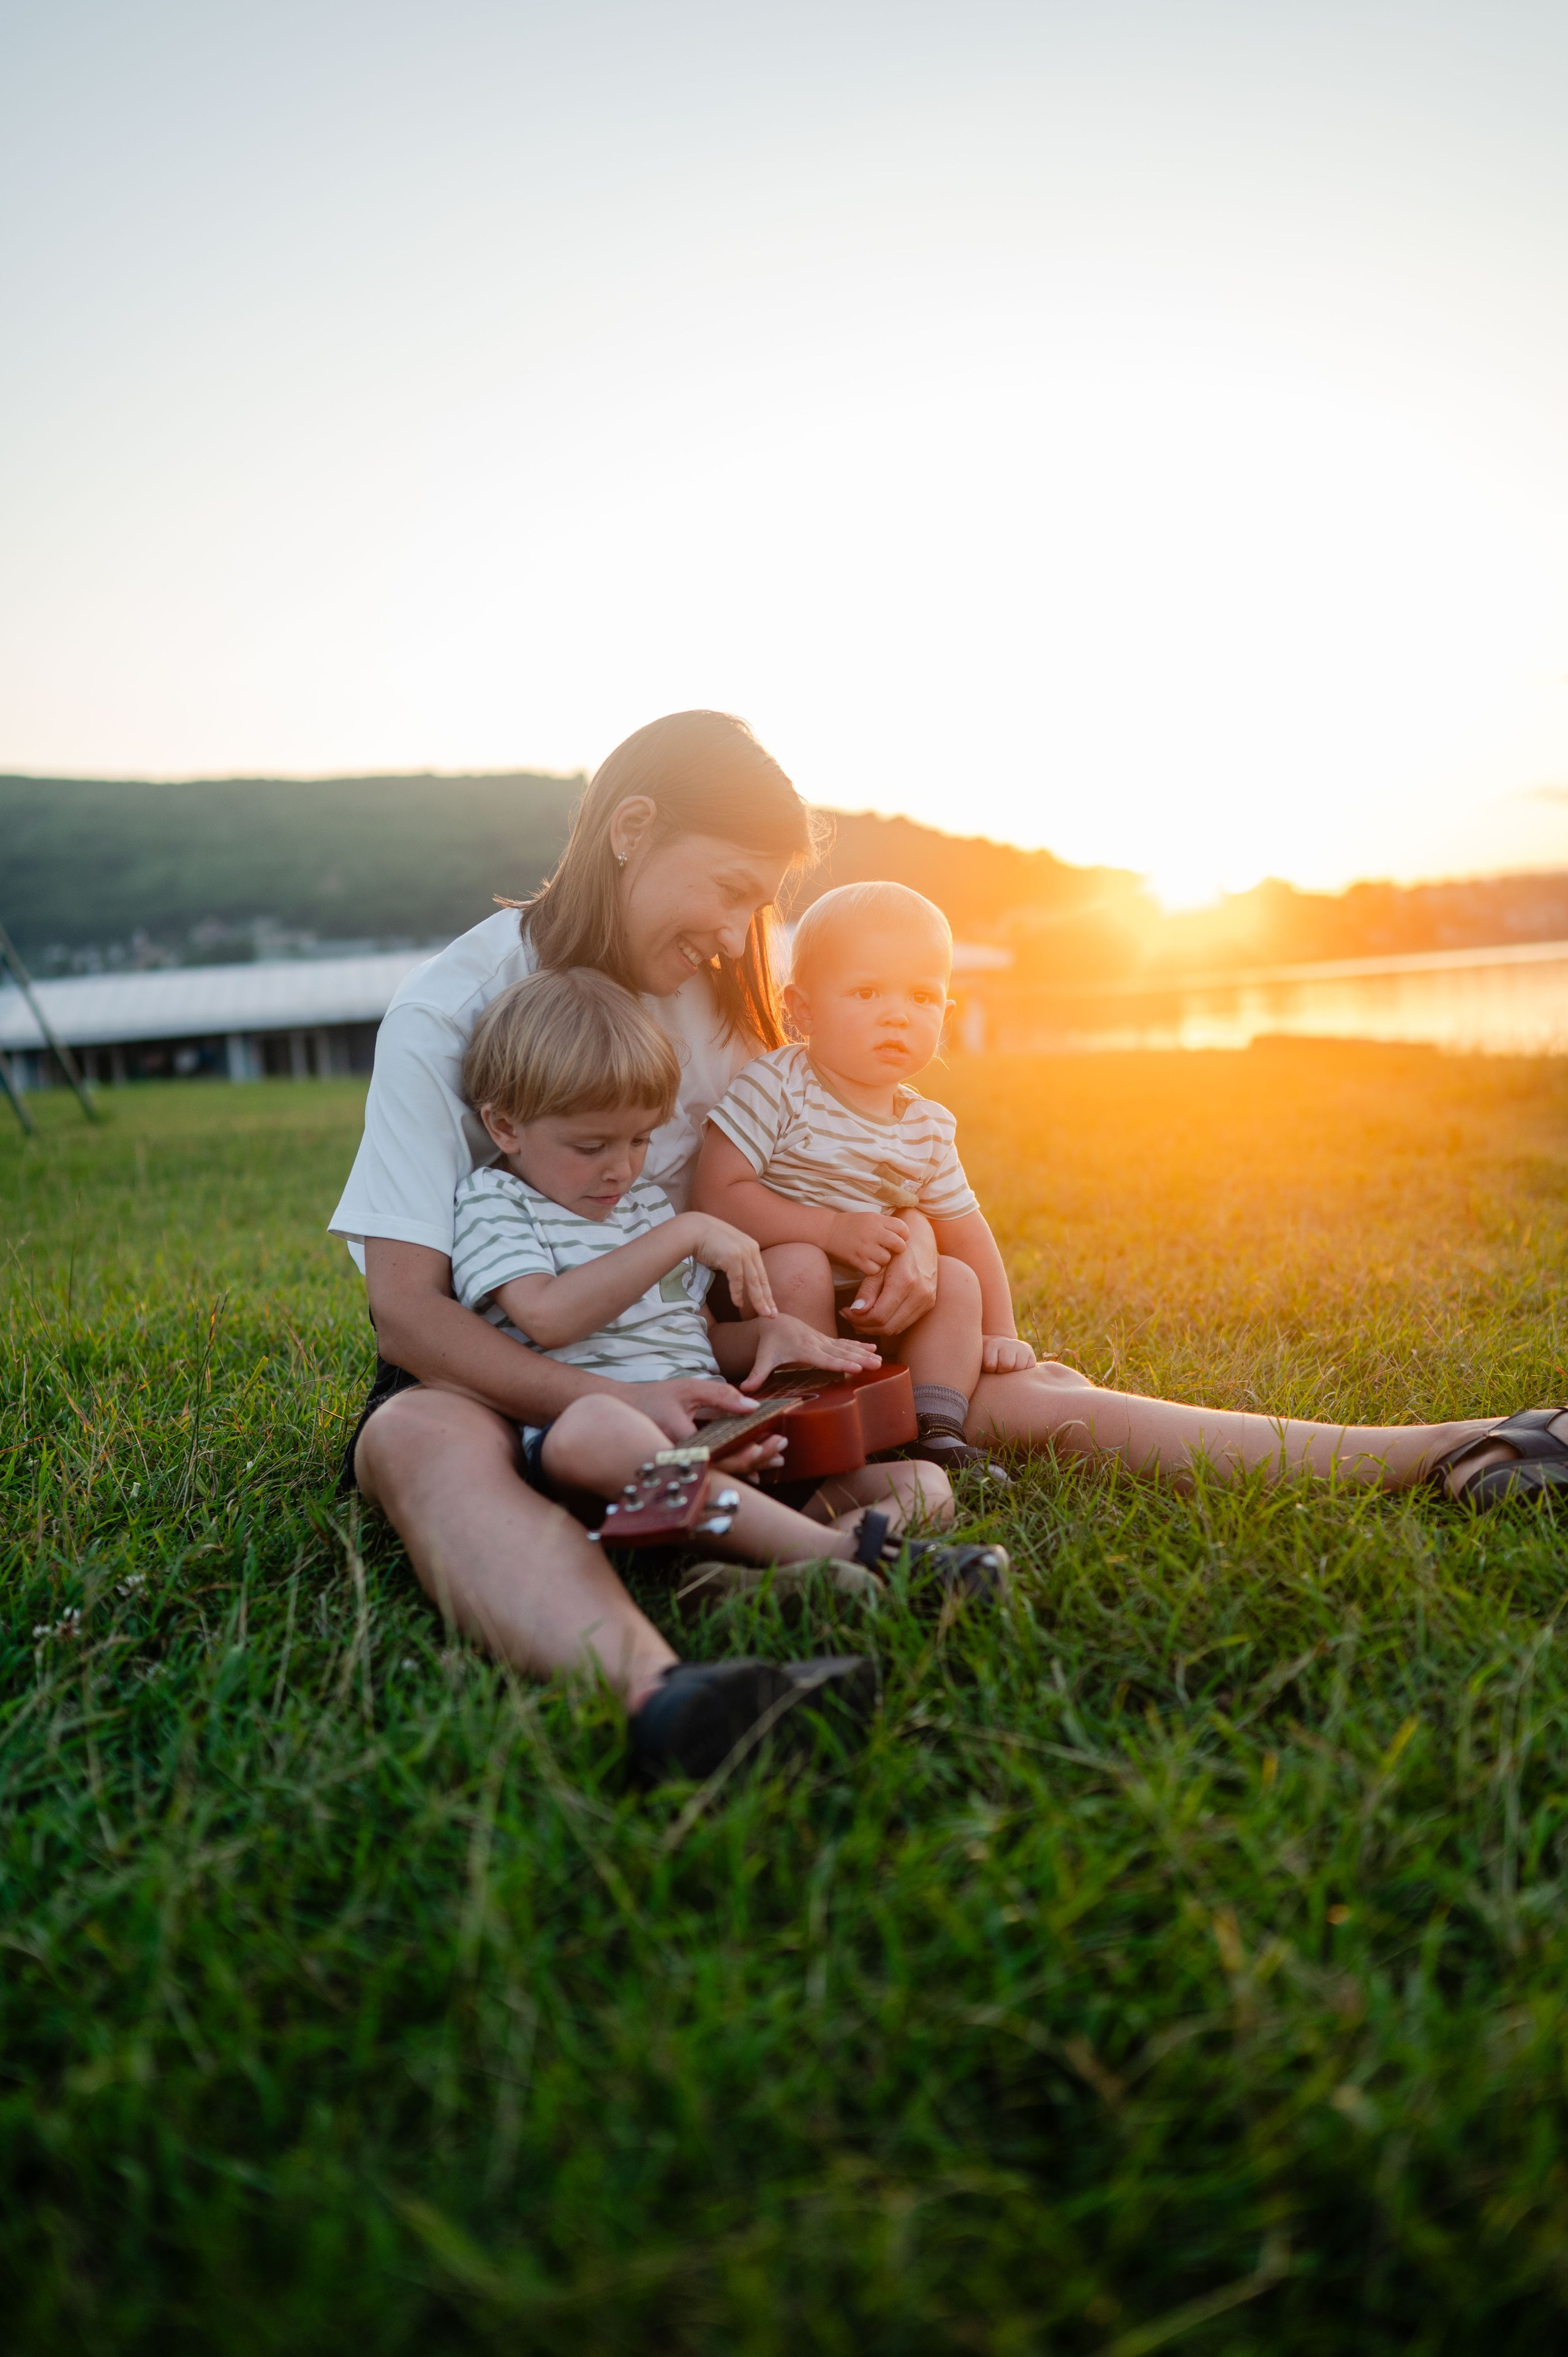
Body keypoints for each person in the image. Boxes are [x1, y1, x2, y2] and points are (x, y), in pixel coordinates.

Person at [330, 709, 1566, 1760]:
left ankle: (1448, 1447)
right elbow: (409, 1314)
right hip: (518, 1366)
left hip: (726, 1342)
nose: (733, 929)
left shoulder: (727, 989)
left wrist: (910, 1243)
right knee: (415, 1434)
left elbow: (814, 1166)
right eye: (725, 889)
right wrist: (605, 1397)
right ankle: (674, 1700)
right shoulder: (453, 1008)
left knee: (1002, 1383)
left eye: (758, 905)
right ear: (631, 827)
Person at [448, 963, 1008, 1641]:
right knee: (595, 1423)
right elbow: (544, 1314)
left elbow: (698, 1338)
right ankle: (841, 1555)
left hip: (721, 1447)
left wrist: (769, 1338)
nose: (621, 1168)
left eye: (639, 1140)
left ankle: (742, 1575)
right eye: (591, 1145)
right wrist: (683, 1233)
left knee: (923, 1484)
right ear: (505, 1126)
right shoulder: (497, 1201)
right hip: (607, 1458)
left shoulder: (644, 1204)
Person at [697, 881, 1020, 1478]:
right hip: (773, 1295)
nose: (897, 1013)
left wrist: (1000, 1329)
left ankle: (937, 1425)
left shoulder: (926, 1126)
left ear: (945, 1016)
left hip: (874, 1302)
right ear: (803, 1010)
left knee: (953, 1277)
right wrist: (829, 1228)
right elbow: (716, 1195)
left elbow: (966, 1232)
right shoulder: (779, 1085)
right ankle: (809, 1412)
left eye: (922, 996)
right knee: (799, 1261)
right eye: (867, 991)